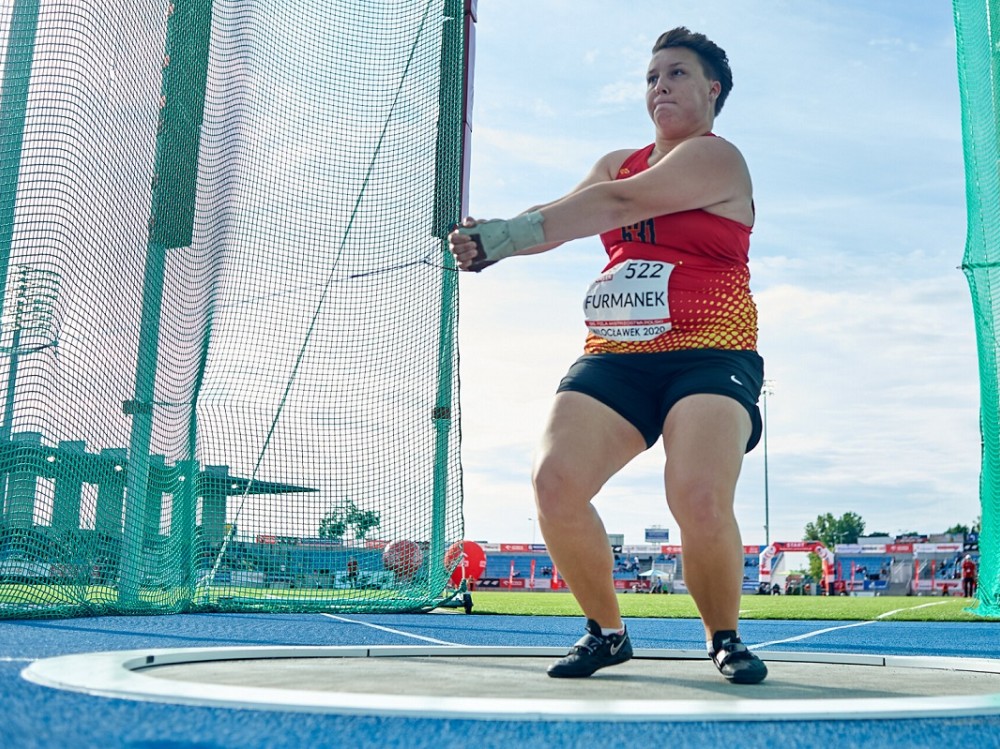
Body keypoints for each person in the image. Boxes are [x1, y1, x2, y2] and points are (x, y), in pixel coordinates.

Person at [449, 27, 767, 684]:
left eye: (676, 74)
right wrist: (493, 237)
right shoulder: (617, 161)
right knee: (554, 481)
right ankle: (608, 631)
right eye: (651, 77)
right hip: (618, 353)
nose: (660, 88)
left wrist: (506, 237)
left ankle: (723, 636)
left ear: (712, 90)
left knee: (699, 494)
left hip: (709, 352)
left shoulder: (718, 159)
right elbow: (568, 210)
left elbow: (618, 205)